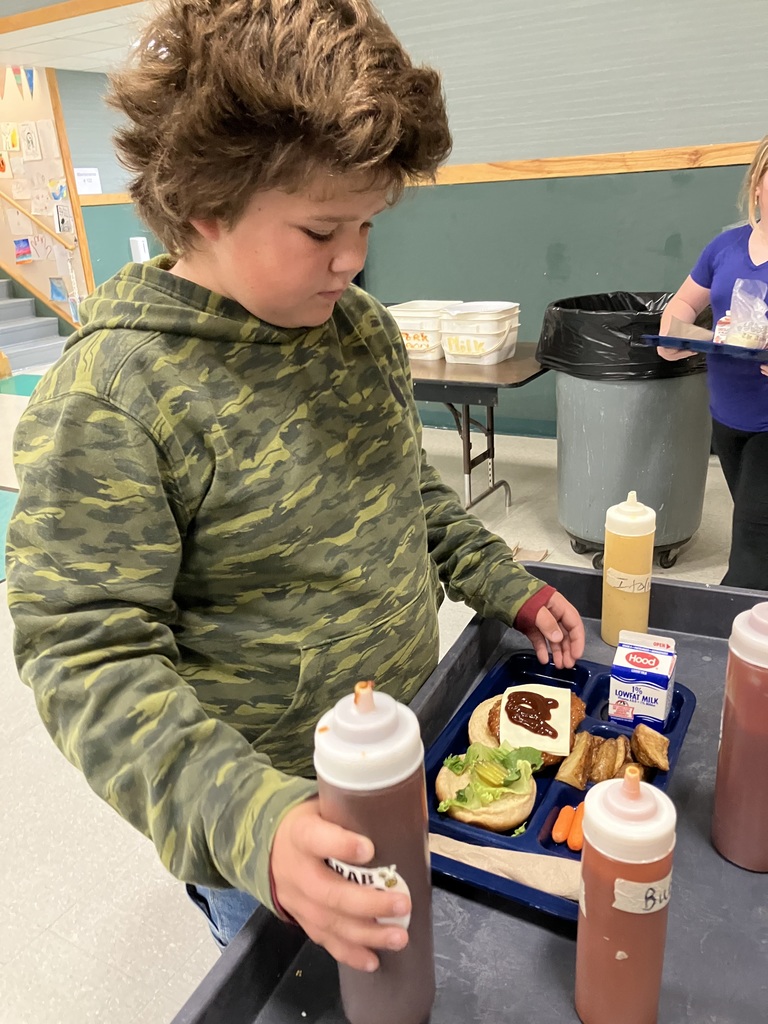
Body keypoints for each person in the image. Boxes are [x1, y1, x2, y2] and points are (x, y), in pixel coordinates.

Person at [5, 0, 585, 974]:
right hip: (273, 828)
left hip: (417, 747)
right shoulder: (117, 398)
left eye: (367, 221)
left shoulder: (357, 330)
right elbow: (87, 661)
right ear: (209, 206)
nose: (355, 257)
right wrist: (255, 823)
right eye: (323, 227)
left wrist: (503, 581)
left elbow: (407, 497)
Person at [658, 135, 768, 591]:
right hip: (727, 416)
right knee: (752, 517)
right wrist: (677, 334)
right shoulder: (724, 247)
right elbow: (683, 303)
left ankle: (729, 632)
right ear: (757, 183)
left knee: (752, 543)